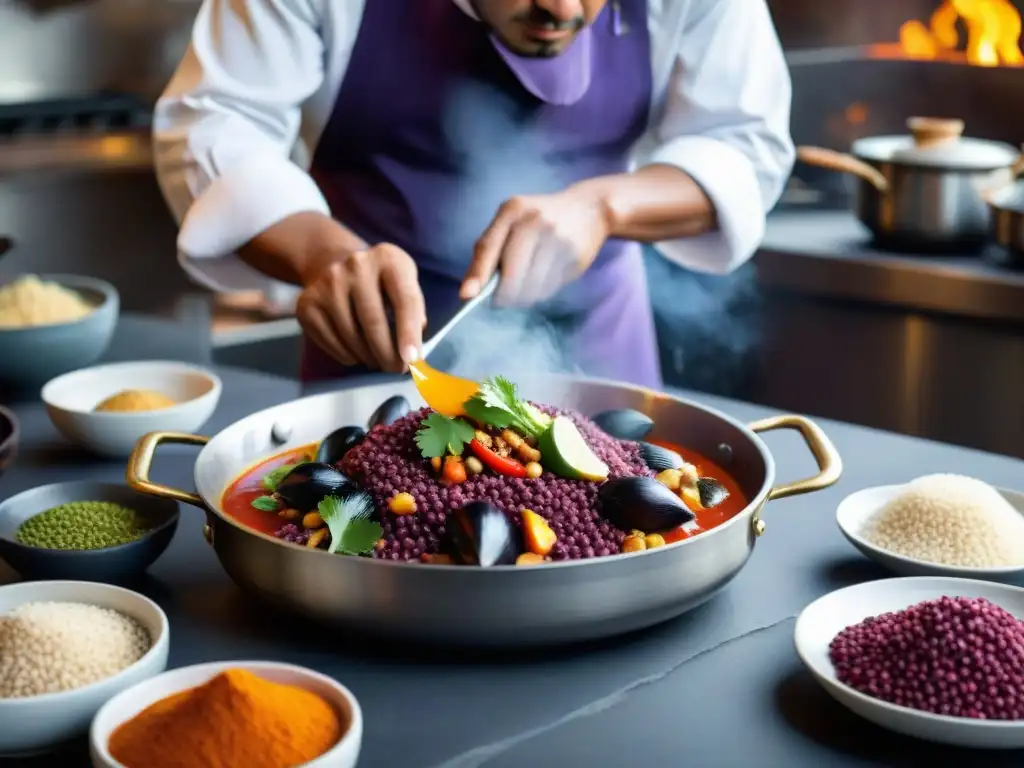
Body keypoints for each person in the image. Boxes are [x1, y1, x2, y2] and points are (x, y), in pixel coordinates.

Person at [154, 0, 793, 388]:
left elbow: (746, 144)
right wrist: (319, 255)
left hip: (602, 345)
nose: (562, 11)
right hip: (375, 345)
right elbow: (214, 123)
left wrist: (602, 206)